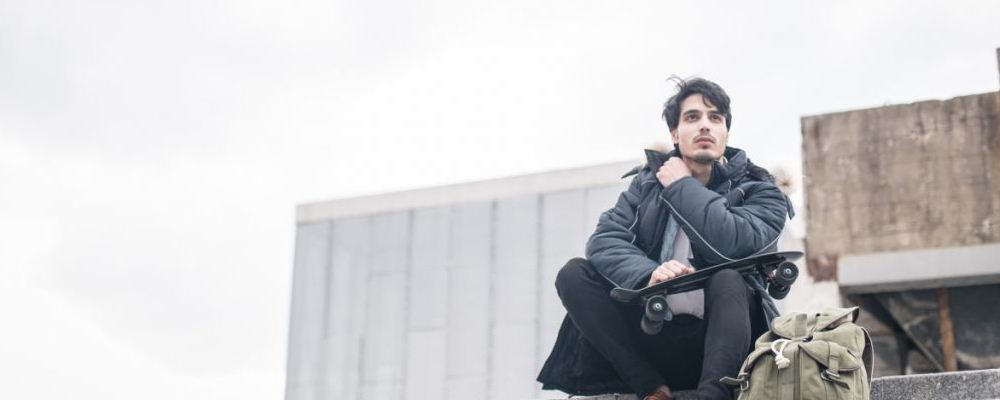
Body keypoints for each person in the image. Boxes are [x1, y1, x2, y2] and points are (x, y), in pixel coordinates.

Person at [536, 77, 794, 400]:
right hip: (654, 333)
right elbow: (604, 241)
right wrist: (648, 275)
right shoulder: (646, 185)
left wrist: (682, 186)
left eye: (715, 118)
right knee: (573, 274)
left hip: (727, 346)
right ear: (674, 133)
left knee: (729, 278)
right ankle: (651, 389)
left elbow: (735, 244)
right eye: (692, 117)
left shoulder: (760, 190)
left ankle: (713, 396)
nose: (705, 125)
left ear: (726, 133)